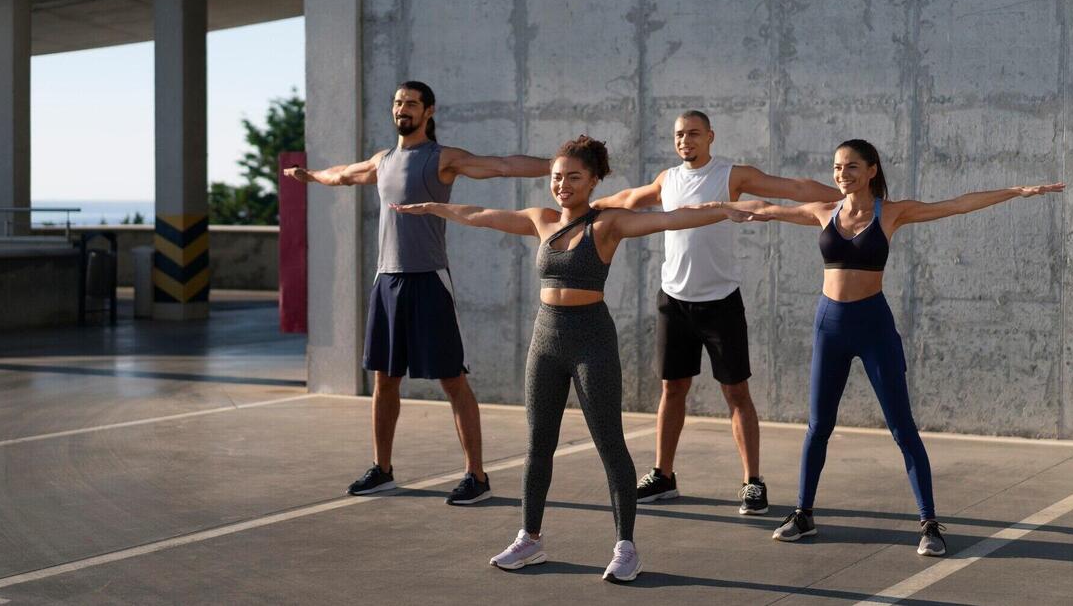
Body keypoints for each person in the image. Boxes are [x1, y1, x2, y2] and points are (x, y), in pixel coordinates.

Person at [393, 135, 759, 582]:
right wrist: (435, 209)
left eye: (573, 177)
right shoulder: (541, 220)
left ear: (593, 180)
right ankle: (530, 538)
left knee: (610, 443)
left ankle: (625, 545)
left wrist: (722, 209)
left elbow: (670, 218)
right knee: (537, 445)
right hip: (545, 340)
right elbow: (483, 216)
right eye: (556, 177)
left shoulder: (607, 224)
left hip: (592, 341)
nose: (562, 185)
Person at [710, 138, 1064, 556]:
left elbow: (956, 204)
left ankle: (929, 523)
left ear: (872, 170)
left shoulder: (892, 212)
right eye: (837, 167)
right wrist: (702, 208)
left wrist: (1015, 192)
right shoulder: (823, 211)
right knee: (818, 426)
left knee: (902, 426)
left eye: (852, 167)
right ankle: (803, 514)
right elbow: (763, 210)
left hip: (873, 325)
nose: (842, 174)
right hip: (830, 327)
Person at [284, 80, 550, 506]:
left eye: (410, 103)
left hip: (428, 280)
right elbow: (344, 175)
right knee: (384, 380)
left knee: (452, 380)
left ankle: (476, 476)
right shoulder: (383, 160)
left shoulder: (441, 159)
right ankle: (382, 469)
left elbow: (500, 165)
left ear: (428, 111)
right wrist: (311, 176)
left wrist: (558, 164)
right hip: (386, 280)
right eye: (397, 103)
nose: (401, 109)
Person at [593, 110, 839, 514]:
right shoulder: (666, 180)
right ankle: (663, 475)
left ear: (710, 136)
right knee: (672, 390)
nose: (684, 141)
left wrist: (843, 196)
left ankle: (752, 482)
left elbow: (791, 186)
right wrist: (585, 208)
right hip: (673, 301)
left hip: (721, 302)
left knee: (736, 393)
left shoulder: (732, 175)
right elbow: (626, 200)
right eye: (678, 135)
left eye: (693, 134)